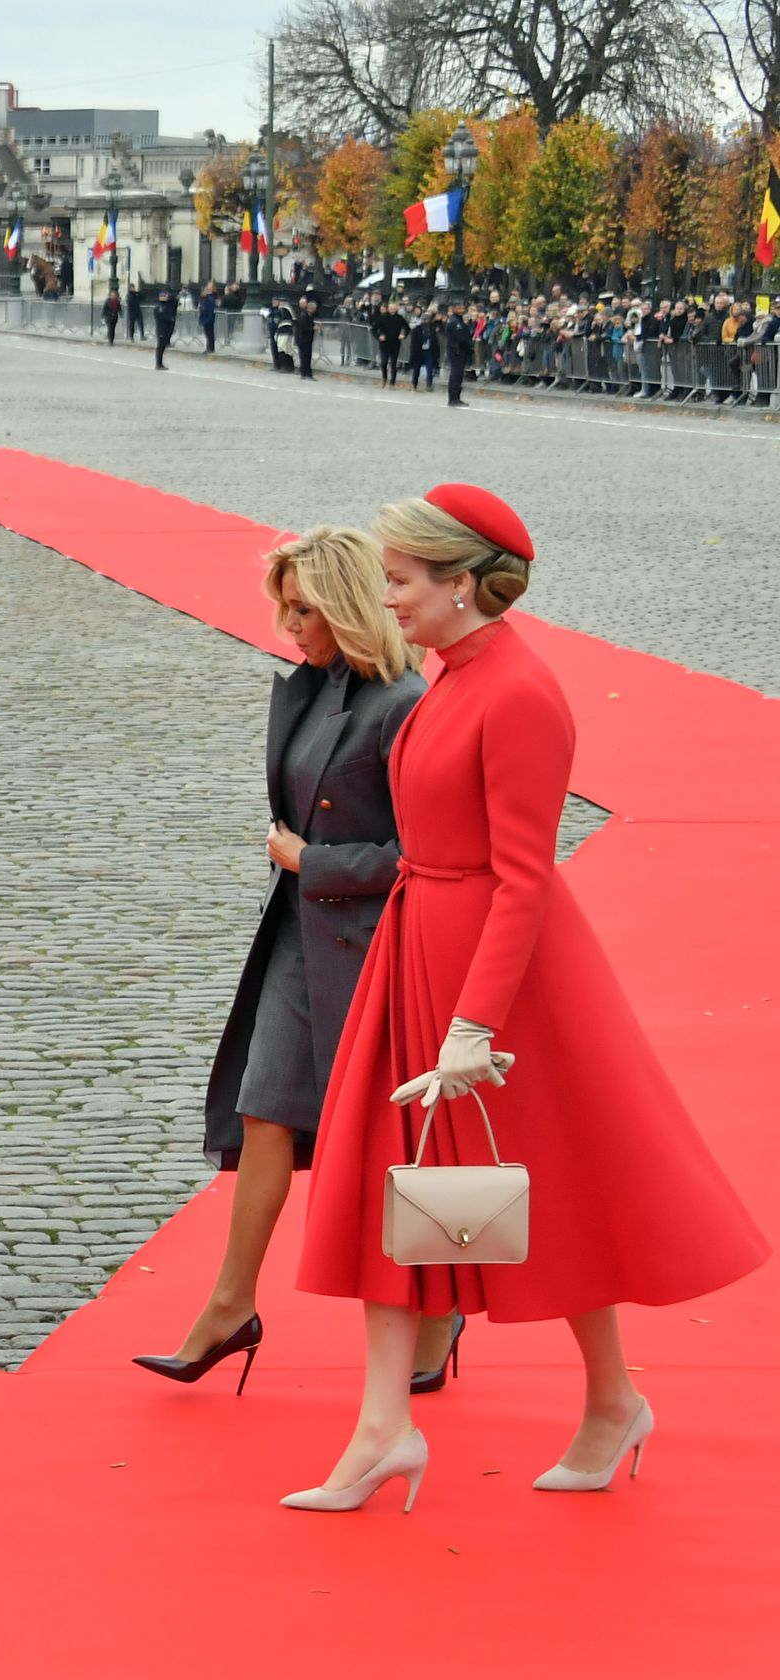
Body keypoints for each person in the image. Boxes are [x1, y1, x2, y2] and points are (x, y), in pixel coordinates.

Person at [285, 486, 768, 1513]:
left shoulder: (519, 693)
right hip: (418, 948)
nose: (387, 598)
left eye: (403, 581)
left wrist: (474, 1024)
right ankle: (383, 1426)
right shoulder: (452, 675)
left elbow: (525, 874)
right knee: (393, 1181)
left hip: (495, 976)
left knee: (550, 1189)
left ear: (463, 583)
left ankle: (611, 1400)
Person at [135, 528, 424, 1393]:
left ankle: (438, 1309)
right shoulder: (318, 686)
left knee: (385, 1143)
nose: (287, 624)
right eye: (284, 605)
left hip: (372, 950)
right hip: (303, 935)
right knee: (264, 1110)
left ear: (343, 604)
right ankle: (230, 1305)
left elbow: (428, 850)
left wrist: (314, 862)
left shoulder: (404, 702)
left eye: (302, 608)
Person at [443, 302, 473, 407]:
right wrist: (470, 346)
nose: (461, 309)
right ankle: (453, 398)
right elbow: (461, 338)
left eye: (462, 307)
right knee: (456, 375)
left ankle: (456, 397)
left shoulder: (458, 320)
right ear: (454, 308)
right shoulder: (455, 322)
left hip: (458, 351)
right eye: (458, 308)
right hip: (456, 351)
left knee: (458, 375)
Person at [152, 286, 178, 370]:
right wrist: (170, 319)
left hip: (166, 329)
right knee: (160, 347)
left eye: (165, 296)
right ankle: (158, 364)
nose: (165, 297)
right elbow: (162, 317)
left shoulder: (167, 306)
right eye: (163, 296)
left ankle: (160, 363)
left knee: (162, 347)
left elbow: (174, 303)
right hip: (161, 329)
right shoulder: (158, 307)